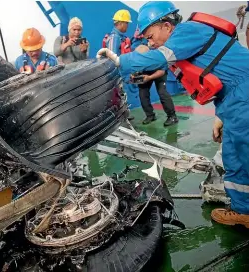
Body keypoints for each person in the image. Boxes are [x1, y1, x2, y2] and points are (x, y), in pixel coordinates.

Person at [99, 1, 249, 227]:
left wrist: (120, 61)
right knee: (233, 154)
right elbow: (222, 79)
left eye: (150, 36)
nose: (150, 43)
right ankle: (243, 210)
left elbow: (158, 58)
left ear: (166, 26)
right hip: (232, 100)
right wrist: (221, 115)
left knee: (244, 151)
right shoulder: (185, 43)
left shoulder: (187, 31)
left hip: (243, 94)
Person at [102, 9, 135, 121]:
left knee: (121, 93)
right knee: (117, 94)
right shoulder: (114, 38)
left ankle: (123, 113)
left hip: (121, 71)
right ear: (120, 23)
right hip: (116, 72)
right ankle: (118, 116)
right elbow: (111, 57)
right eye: (126, 23)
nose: (127, 26)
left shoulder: (120, 37)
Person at [133, 45, 178, 126]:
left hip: (159, 72)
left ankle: (172, 116)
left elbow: (162, 72)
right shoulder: (137, 58)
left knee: (162, 92)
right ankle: (150, 115)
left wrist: (149, 77)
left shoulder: (158, 59)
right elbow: (133, 70)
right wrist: (133, 75)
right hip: (146, 72)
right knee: (142, 93)